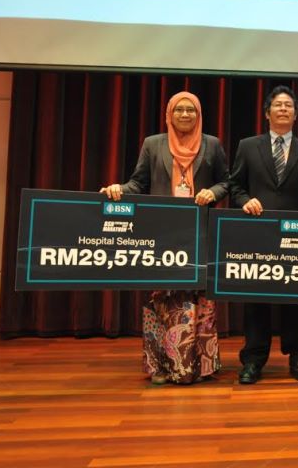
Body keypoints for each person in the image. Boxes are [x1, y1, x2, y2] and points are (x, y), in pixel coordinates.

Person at [100, 91, 228, 385]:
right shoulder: (153, 144)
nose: (185, 115)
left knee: (199, 297)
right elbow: (138, 182)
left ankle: (200, 366)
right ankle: (160, 365)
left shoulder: (212, 144)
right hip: (162, 232)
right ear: (169, 114)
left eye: (191, 110)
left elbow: (226, 181)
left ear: (198, 115)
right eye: (179, 109)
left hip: (199, 231)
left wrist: (213, 193)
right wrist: (119, 189)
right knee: (162, 297)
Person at [229, 86, 298, 384]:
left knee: (295, 299)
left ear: (295, 115)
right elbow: (235, 186)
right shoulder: (248, 146)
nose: (283, 109)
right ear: (267, 113)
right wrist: (245, 201)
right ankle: (253, 360)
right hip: (258, 235)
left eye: (288, 106)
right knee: (256, 301)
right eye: (278, 105)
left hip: (296, 239)